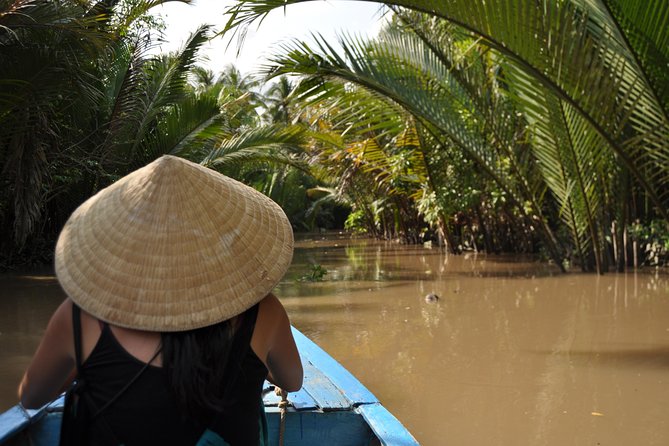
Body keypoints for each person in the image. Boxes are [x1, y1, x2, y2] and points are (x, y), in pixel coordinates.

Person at [17, 155, 303, 445]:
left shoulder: (80, 318)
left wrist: (83, 365)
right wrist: (256, 364)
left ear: (128, 245)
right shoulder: (264, 312)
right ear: (220, 243)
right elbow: (292, 381)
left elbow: (31, 397)